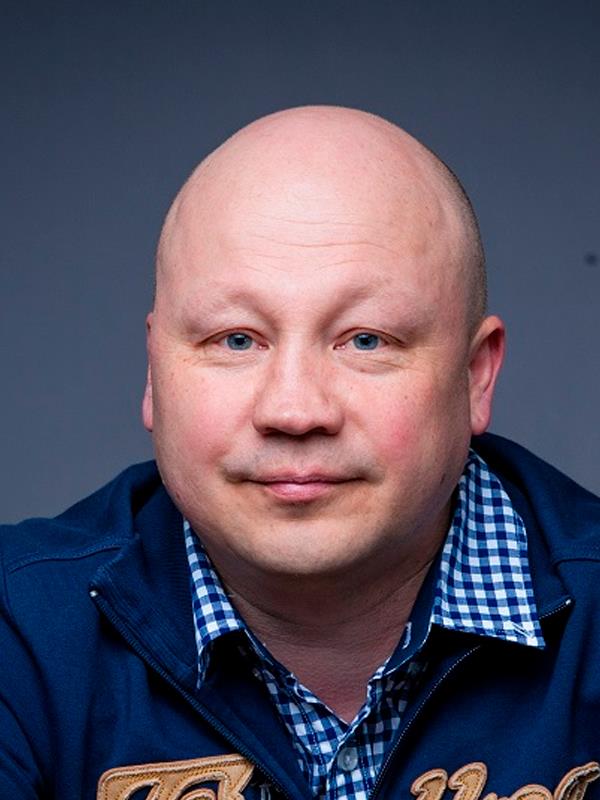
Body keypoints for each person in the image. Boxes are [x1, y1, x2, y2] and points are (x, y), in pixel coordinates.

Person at [0, 106, 599, 800]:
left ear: (475, 378)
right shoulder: (18, 630)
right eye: (236, 340)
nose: (293, 411)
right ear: (154, 372)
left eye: (366, 340)